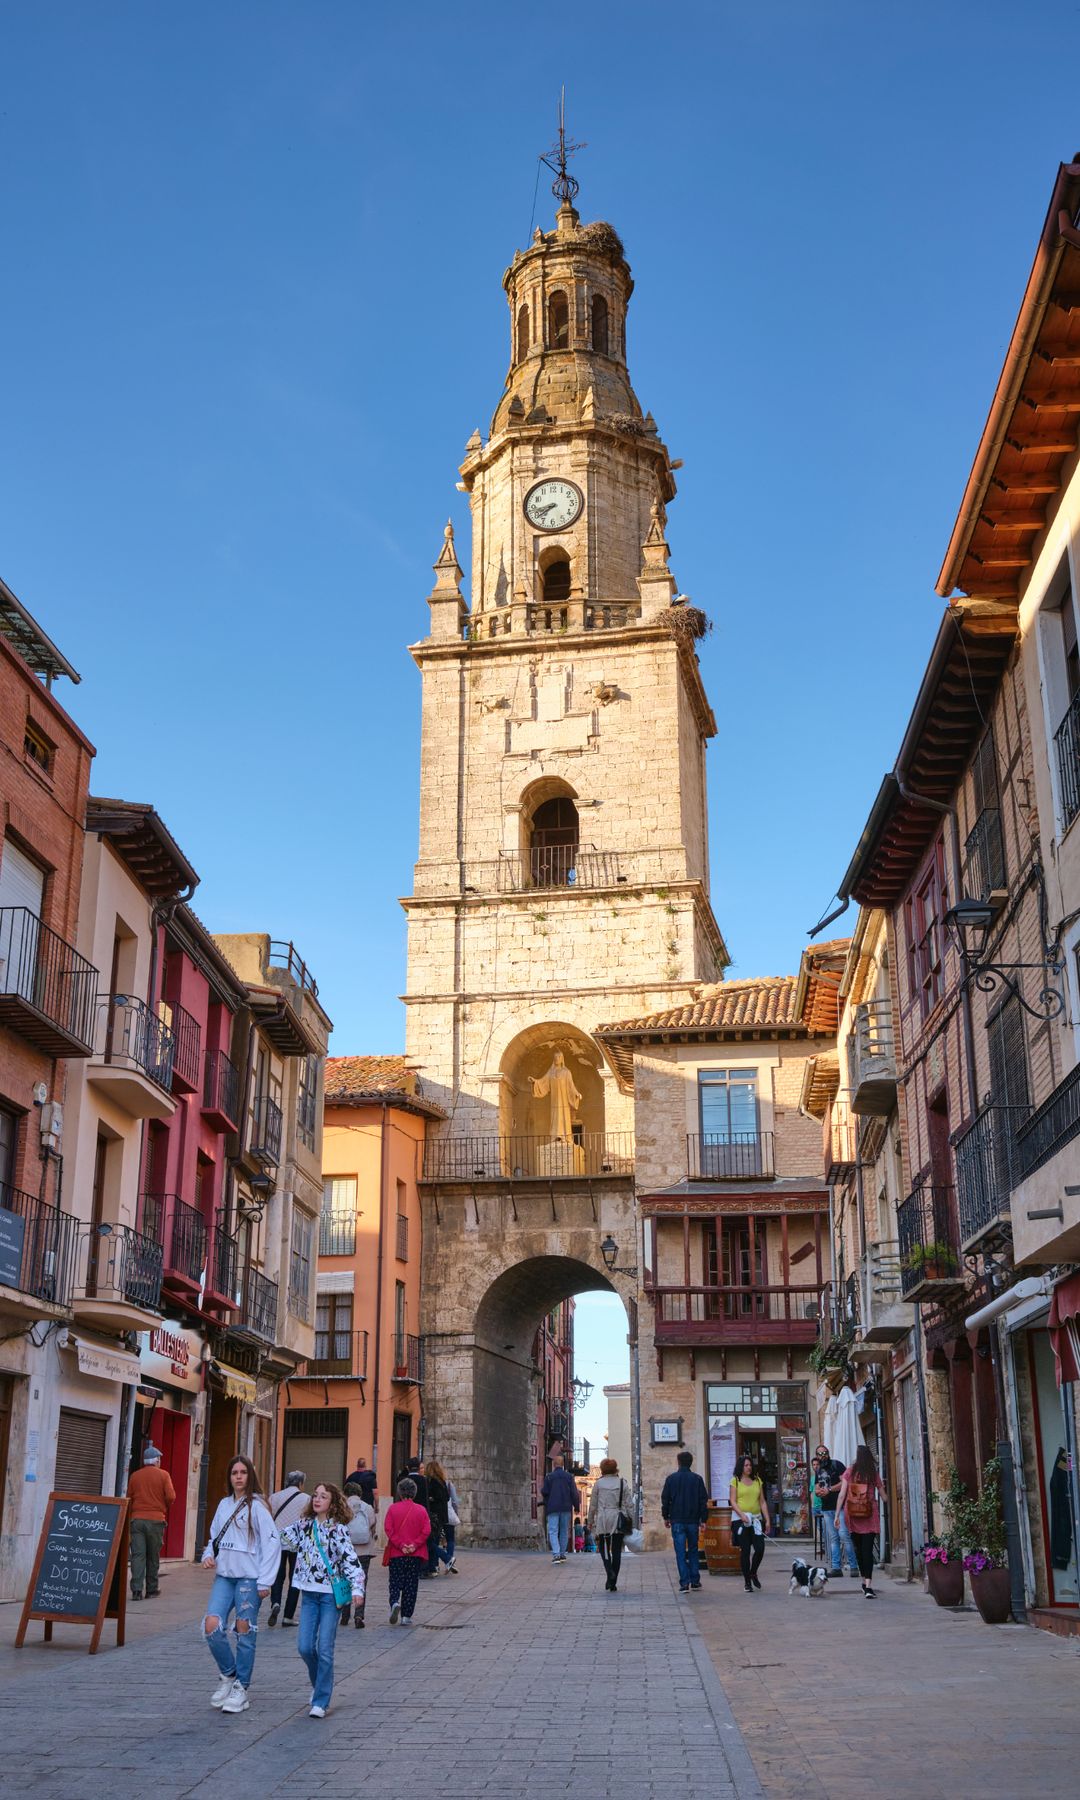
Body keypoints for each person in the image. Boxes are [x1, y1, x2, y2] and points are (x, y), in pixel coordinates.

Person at [201, 1455, 280, 1716]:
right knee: (212, 1625)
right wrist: (207, 1555)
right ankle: (229, 1674)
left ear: (250, 1476)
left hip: (249, 1577)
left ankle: (241, 1688)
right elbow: (214, 1536)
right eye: (234, 1472)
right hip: (224, 1575)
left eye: (243, 1472)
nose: (238, 1477)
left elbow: (271, 1543)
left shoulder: (257, 1507)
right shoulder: (224, 1504)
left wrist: (266, 1580)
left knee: (244, 1629)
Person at [279, 1482, 366, 1716]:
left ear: (333, 1502)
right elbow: (279, 1539)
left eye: (323, 1496)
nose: (317, 1499)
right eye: (315, 1495)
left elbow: (351, 1561)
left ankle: (321, 1700)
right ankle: (319, 1685)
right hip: (308, 1594)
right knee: (305, 1647)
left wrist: (357, 1590)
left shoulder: (338, 1530)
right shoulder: (304, 1526)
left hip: (330, 1598)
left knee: (324, 1648)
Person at [126, 1442, 175, 1602]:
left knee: (138, 1555)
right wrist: (163, 1506)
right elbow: (171, 1497)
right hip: (155, 1520)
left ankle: (136, 1590)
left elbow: (129, 1498)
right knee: (153, 1556)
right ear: (156, 1461)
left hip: (137, 1520)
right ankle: (152, 1589)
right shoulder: (164, 1475)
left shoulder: (134, 1476)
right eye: (159, 1459)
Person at [838, 1444, 886, 1599]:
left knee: (858, 1549)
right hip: (869, 1514)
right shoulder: (873, 1473)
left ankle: (864, 1581)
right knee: (867, 1550)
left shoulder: (849, 1471)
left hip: (852, 1513)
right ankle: (868, 1584)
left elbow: (842, 1494)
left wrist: (837, 1514)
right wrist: (889, 1500)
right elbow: (883, 1495)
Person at [383, 1476, 432, 1625]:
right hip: (415, 1554)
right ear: (414, 1492)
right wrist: (414, 1545)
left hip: (397, 1553)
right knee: (411, 1584)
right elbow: (426, 1530)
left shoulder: (393, 1509)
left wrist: (401, 1545)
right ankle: (406, 1616)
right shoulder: (421, 1510)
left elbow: (388, 1529)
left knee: (395, 1581)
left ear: (399, 1492)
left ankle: (395, 1602)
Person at [660, 1449, 709, 1593]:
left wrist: (666, 1517)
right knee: (693, 1550)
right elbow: (703, 1501)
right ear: (691, 1463)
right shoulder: (697, 1479)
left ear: (679, 1462)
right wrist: (703, 1519)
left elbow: (665, 1499)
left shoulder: (671, 1479)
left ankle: (684, 1582)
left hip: (677, 1520)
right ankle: (695, 1580)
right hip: (693, 1520)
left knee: (680, 1552)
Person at [266, 1469, 308, 1627]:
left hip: (277, 1541)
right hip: (297, 1543)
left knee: (278, 1576)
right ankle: (288, 1616)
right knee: (294, 1579)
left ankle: (275, 1602)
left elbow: (268, 1518)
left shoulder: (274, 1497)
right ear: (301, 1483)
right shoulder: (306, 1499)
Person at [588, 1457, 632, 1592]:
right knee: (617, 1550)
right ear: (615, 1469)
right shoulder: (622, 1483)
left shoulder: (598, 1484)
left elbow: (593, 1505)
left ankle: (609, 1572)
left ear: (602, 1469)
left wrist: (590, 1521)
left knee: (604, 1548)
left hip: (603, 1518)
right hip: (617, 1518)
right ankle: (613, 1581)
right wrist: (631, 1520)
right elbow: (629, 1504)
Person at [815, 1439, 858, 1577]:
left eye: (825, 1453)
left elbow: (845, 1483)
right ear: (817, 1456)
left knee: (844, 1535)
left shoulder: (837, 1465)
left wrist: (829, 1489)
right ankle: (836, 1567)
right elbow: (817, 1486)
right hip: (826, 1508)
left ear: (828, 1453)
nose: (823, 1456)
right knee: (833, 1538)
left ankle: (853, 1566)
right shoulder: (819, 1470)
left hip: (840, 1506)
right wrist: (818, 1491)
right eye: (820, 1454)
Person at [730, 1454, 770, 1593]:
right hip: (740, 1521)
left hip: (756, 1519)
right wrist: (741, 1515)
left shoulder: (758, 1480)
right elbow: (733, 1501)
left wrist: (768, 1519)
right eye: (746, 1465)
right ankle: (747, 1581)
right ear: (740, 1467)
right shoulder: (735, 1481)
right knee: (745, 1551)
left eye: (750, 1465)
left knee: (760, 1548)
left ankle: (753, 1572)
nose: (749, 1468)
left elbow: (762, 1501)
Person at [344, 1481, 378, 1626]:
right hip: (364, 1551)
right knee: (361, 1582)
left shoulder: (341, 1506)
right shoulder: (367, 1507)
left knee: (345, 1581)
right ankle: (359, 1615)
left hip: (345, 1551)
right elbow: (372, 1525)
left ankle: (344, 1615)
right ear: (360, 1493)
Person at [540, 1451, 580, 1563]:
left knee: (553, 1530)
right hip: (566, 1508)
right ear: (562, 1465)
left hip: (553, 1507)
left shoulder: (549, 1477)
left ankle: (556, 1555)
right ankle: (562, 1554)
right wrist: (576, 1506)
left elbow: (545, 1491)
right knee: (564, 1530)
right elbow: (574, 1493)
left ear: (554, 1464)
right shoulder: (569, 1477)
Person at [424, 1458, 457, 1574]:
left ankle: (447, 1558)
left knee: (430, 1542)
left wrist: (430, 1499)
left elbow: (436, 1497)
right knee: (435, 1540)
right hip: (442, 1516)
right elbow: (448, 1498)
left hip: (434, 1516)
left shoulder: (432, 1482)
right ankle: (433, 1567)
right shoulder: (442, 1482)